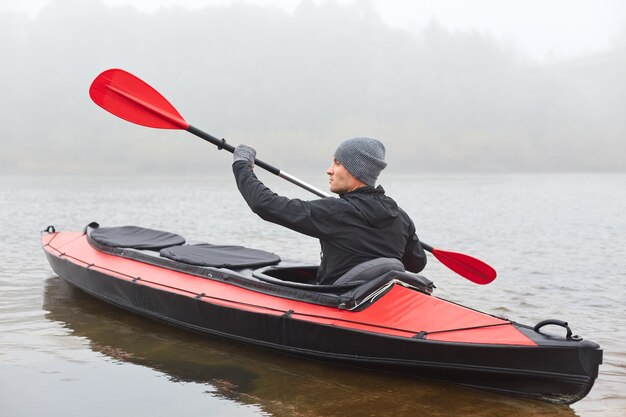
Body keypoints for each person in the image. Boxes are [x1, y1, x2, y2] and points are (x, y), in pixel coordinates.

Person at [232, 137, 427, 285]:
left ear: (355, 170)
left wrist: (242, 165)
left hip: (338, 301)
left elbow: (265, 205)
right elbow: (417, 263)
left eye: (337, 163)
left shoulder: (337, 212)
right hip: (374, 301)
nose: (329, 170)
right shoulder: (401, 218)